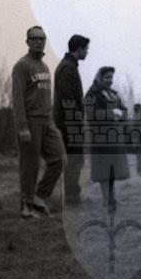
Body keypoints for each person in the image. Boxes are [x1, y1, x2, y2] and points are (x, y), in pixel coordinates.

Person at [11, 25, 66, 218]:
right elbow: (17, 99)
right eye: (34, 38)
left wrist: (52, 121)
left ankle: (39, 197)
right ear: (27, 41)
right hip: (30, 122)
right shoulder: (22, 66)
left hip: (47, 122)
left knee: (59, 159)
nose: (39, 41)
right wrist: (22, 127)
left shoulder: (44, 67)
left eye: (42, 38)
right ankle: (26, 206)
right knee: (30, 166)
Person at [84, 67, 130, 207]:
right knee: (103, 170)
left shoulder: (113, 94)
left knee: (112, 169)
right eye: (107, 77)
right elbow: (91, 115)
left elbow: (124, 111)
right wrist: (111, 113)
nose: (110, 80)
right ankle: (107, 200)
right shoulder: (92, 94)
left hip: (114, 137)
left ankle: (112, 198)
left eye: (111, 77)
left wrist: (121, 114)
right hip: (100, 137)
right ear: (99, 77)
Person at [53, 34, 89, 205]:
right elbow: (68, 98)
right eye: (86, 48)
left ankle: (72, 196)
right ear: (79, 48)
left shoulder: (68, 65)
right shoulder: (68, 68)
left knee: (74, 160)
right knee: (75, 159)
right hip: (69, 123)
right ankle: (72, 197)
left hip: (68, 122)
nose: (87, 52)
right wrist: (78, 120)